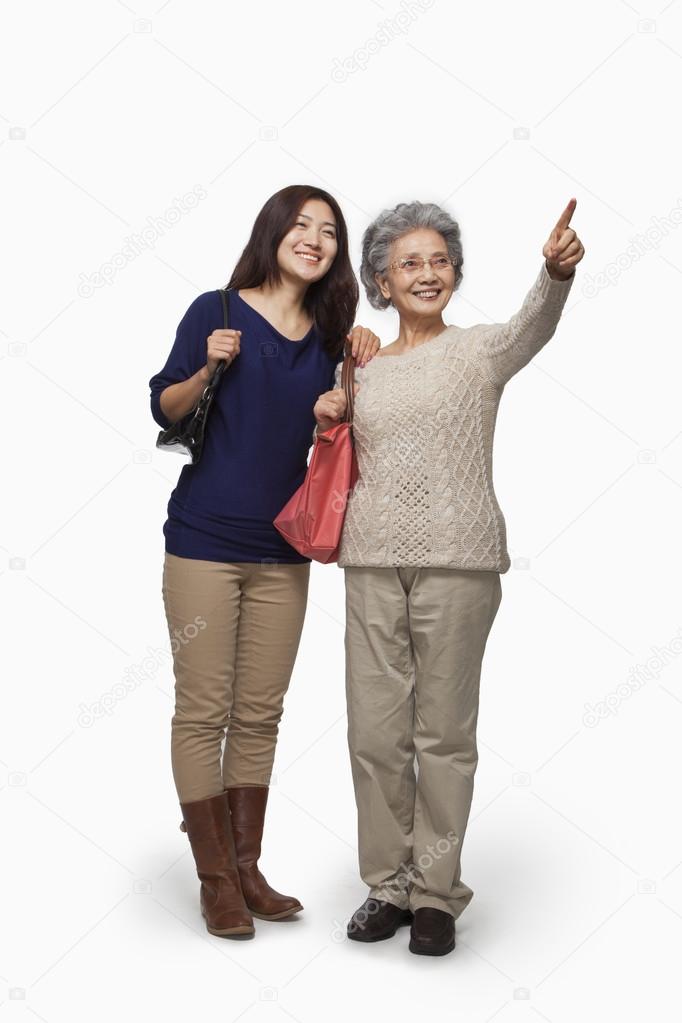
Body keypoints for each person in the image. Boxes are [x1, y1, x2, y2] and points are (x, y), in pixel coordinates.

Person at [314, 197, 584, 956]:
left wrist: (554, 273)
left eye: (439, 261)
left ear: (455, 273)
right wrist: (326, 407)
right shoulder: (360, 360)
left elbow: (532, 326)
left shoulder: (479, 351)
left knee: (443, 733)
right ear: (381, 281)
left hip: (460, 558)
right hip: (368, 558)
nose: (427, 273)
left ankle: (434, 893)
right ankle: (387, 884)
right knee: (374, 731)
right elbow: (331, 440)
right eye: (409, 264)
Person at [149, 185, 380, 939]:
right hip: (204, 541)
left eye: (330, 231)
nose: (315, 238)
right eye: (302, 225)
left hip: (286, 549)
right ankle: (215, 880)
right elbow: (165, 407)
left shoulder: (332, 335)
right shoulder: (215, 310)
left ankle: (248, 866)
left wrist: (356, 368)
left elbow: (349, 426)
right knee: (204, 708)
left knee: (259, 713)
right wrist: (205, 368)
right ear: (275, 232)